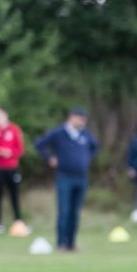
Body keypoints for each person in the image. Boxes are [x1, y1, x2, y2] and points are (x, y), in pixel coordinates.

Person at [35, 107, 99, 252]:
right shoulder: (59, 133)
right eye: (80, 118)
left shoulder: (85, 134)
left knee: (75, 212)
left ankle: (71, 243)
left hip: (82, 177)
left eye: (84, 118)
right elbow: (40, 144)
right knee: (64, 211)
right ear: (71, 117)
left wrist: (87, 159)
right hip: (65, 177)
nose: (83, 121)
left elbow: (95, 147)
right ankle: (61, 243)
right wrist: (50, 158)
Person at [0, 107, 24, 234]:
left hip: (12, 168)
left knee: (15, 195)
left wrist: (10, 152)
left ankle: (18, 221)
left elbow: (20, 149)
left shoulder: (14, 129)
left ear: (5, 115)